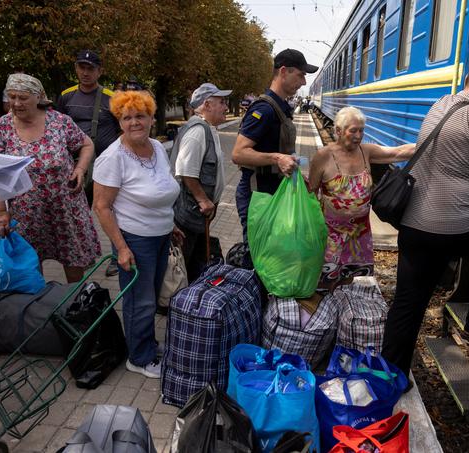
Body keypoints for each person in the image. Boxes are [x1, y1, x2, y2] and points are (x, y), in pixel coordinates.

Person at [381, 56, 469, 378]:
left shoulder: (441, 104)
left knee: (407, 304)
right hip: (454, 227)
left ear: (468, 78)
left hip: (413, 222)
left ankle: (389, 372)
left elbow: (466, 115)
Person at [92, 90, 182, 378]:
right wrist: (121, 248)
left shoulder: (156, 146)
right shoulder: (113, 158)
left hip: (161, 233)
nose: (134, 123)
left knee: (151, 297)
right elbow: (102, 207)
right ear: (119, 122)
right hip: (135, 239)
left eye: (140, 116)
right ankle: (139, 358)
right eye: (127, 117)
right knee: (139, 300)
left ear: (151, 118)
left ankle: (146, 343)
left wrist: (172, 223)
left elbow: (163, 186)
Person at [0, 73, 101, 284]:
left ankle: (75, 304)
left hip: (66, 207)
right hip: (26, 212)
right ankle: (37, 308)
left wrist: (80, 168)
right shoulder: (1, 128)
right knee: (29, 261)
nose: (16, 103)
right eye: (12, 97)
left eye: (22, 97)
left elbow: (86, 144)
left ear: (38, 96)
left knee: (73, 261)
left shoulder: (59, 121)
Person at [308, 106, 415, 268]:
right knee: (325, 279)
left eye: (361, 131)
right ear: (338, 130)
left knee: (350, 276)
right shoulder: (323, 156)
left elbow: (397, 153)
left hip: (360, 233)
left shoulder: (366, 151)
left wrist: (430, 141)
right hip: (331, 234)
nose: (359, 136)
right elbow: (311, 194)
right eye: (353, 131)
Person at [232, 48, 318, 238]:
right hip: (258, 194)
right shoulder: (264, 109)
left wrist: (296, 172)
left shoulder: (281, 107)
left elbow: (281, 148)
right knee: (258, 257)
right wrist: (277, 158)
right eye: (301, 75)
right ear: (283, 71)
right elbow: (238, 154)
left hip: (273, 191)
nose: (304, 82)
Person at [56, 50, 121, 277]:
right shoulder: (66, 97)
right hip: (76, 167)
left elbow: (123, 130)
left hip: (106, 167)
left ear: (99, 71)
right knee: (76, 214)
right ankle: (82, 256)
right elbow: (57, 129)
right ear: (76, 68)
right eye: (81, 67)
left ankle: (116, 256)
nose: (85, 73)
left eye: (90, 68)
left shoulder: (112, 98)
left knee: (111, 210)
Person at [171, 82, 231, 282]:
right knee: (182, 262)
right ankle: (172, 302)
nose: (226, 107)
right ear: (207, 104)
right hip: (190, 212)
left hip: (197, 214)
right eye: (222, 102)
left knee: (193, 261)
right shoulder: (198, 132)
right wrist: (203, 200)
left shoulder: (207, 128)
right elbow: (186, 171)